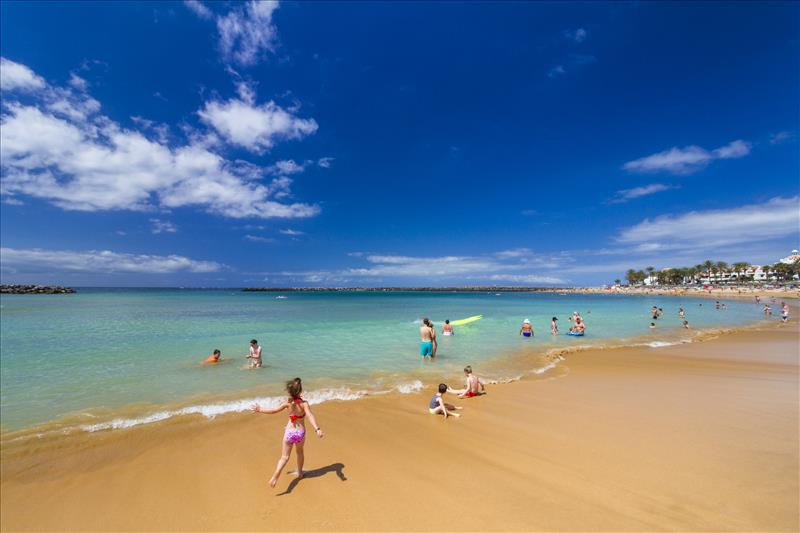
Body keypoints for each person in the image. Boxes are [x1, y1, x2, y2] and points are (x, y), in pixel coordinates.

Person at [251, 378, 324, 488]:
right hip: (300, 433)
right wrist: (317, 429)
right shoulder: (304, 404)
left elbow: (274, 410)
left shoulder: (287, 403)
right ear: (300, 391)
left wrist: (260, 409)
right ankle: (300, 473)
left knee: (284, 457)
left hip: (289, 433)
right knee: (299, 453)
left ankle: (275, 476)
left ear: (289, 392)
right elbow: (309, 415)